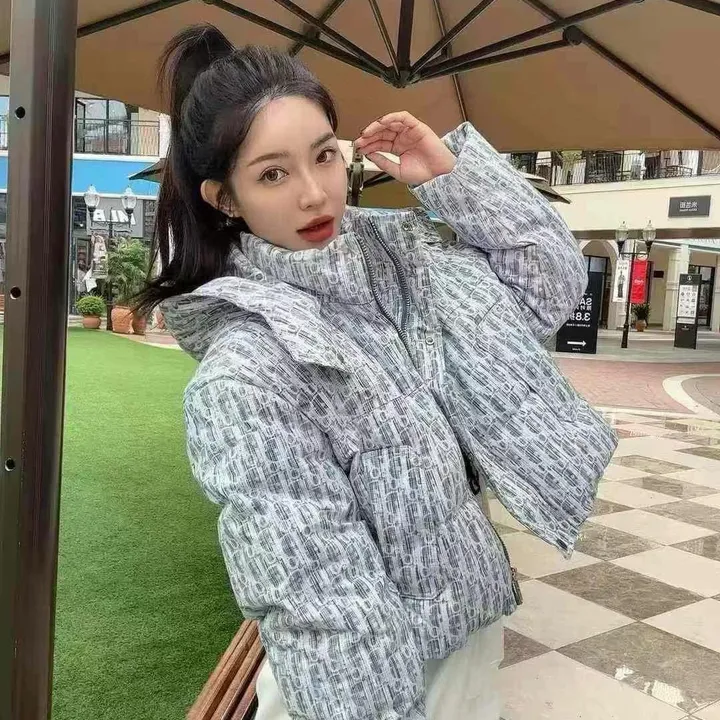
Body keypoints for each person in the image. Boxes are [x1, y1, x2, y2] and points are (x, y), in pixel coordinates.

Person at [136, 25, 617, 720]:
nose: (314, 193)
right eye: (273, 174)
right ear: (225, 198)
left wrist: (451, 178)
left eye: (323, 155)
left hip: (469, 638)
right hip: (371, 686)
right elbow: (317, 593)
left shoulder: (408, 265)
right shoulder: (247, 375)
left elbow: (550, 286)